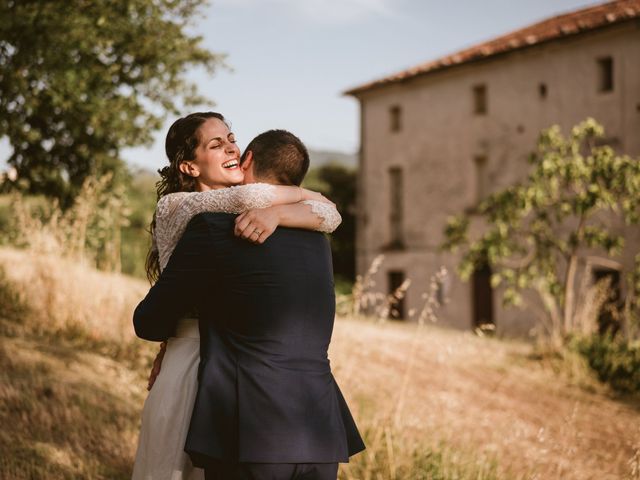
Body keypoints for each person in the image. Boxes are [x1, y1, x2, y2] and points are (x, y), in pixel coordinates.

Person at [133, 123, 365, 479]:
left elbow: (149, 320)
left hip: (248, 424)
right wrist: (300, 201)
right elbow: (325, 212)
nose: (230, 149)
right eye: (217, 144)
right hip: (317, 425)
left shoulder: (214, 228)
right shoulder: (316, 236)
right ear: (188, 166)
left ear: (249, 158)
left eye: (232, 141)